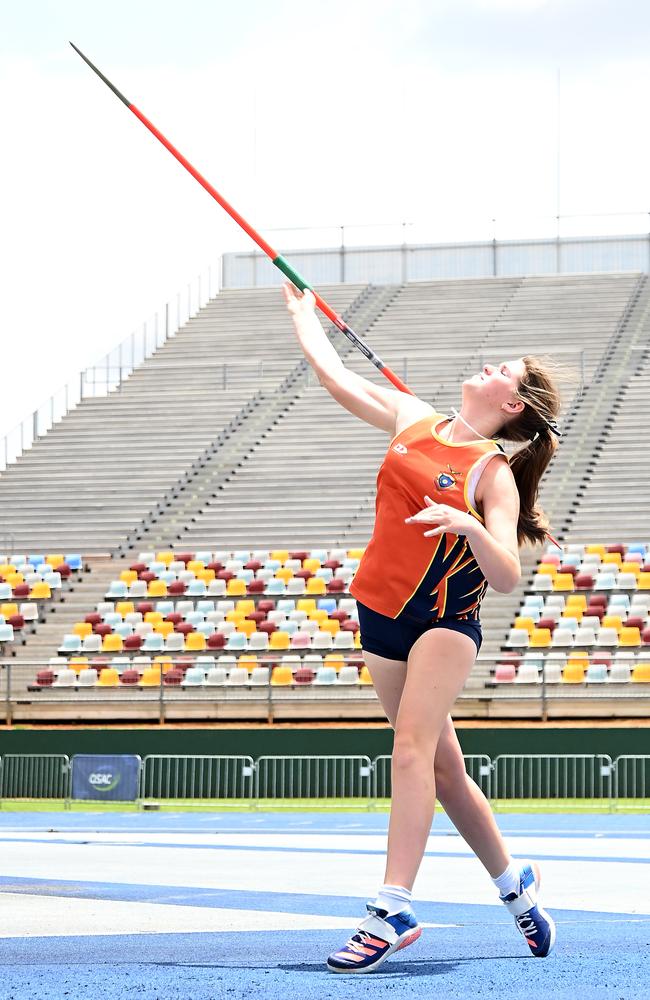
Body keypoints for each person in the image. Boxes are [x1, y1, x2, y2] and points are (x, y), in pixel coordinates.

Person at [283, 282, 562, 974]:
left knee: (410, 751)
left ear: (512, 406)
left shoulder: (493, 474)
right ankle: (515, 887)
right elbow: (332, 374)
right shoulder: (414, 416)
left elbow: (504, 574)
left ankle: (392, 908)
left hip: (442, 619)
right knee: (444, 769)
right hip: (377, 611)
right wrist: (301, 314)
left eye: (506, 370)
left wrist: (468, 522)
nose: (491, 366)